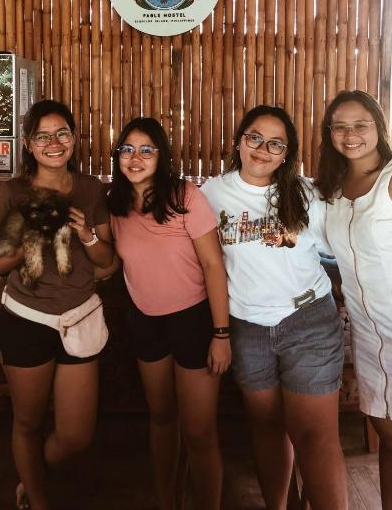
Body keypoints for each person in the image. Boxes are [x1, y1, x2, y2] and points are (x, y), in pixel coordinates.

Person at [201, 105, 347, 510]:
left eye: (275, 144)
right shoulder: (211, 194)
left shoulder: (307, 194)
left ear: (287, 154)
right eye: (254, 138)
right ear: (238, 142)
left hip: (309, 323)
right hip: (247, 327)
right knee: (265, 427)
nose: (262, 150)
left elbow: (342, 249)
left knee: (315, 436)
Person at [0, 99, 114, 510]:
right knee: (27, 422)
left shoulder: (91, 190)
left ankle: (33, 474)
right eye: (42, 136)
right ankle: (37, 499)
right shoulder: (10, 192)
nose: (54, 143)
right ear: (28, 144)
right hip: (27, 318)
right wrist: (29, 239)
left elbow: (107, 261)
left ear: (74, 139)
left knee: (75, 436)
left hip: (79, 317)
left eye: (62, 134)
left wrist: (87, 235)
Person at [316, 90, 392, 510]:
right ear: (329, 133)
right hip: (368, 332)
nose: (350, 134)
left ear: (379, 128)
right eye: (340, 126)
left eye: (360, 125)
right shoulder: (332, 188)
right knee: (389, 433)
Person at [108, 117, 231, 510]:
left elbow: (213, 265)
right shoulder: (114, 203)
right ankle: (167, 502)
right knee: (161, 417)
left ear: (161, 156)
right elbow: (109, 263)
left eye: (146, 150)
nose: (135, 158)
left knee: (198, 431)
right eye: (127, 149)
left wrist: (221, 334)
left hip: (194, 320)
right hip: (144, 321)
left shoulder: (185, 196)